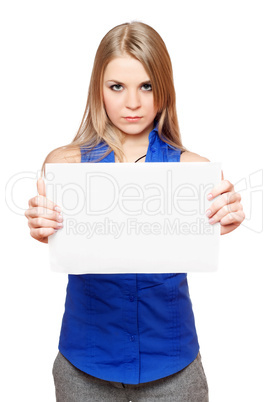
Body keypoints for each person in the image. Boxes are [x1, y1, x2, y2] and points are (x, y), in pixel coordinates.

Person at [24, 22, 245, 402]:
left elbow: (211, 227)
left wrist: (225, 218)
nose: (132, 103)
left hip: (173, 367)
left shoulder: (195, 171)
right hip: (85, 365)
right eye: (117, 87)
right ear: (99, 89)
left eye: (146, 86)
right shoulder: (66, 166)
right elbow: (53, 234)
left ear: (164, 88)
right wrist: (42, 226)